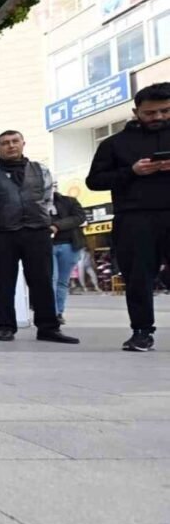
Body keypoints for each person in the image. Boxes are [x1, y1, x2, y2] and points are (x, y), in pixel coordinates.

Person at [0, 130, 79, 344]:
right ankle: (6, 327)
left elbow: (46, 201)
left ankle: (48, 328)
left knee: (43, 281)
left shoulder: (41, 170)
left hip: (36, 232)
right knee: (4, 282)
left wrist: (39, 222)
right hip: (0, 235)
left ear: (23, 144)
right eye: (4, 143)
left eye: (14, 141)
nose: (10, 146)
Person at [86, 82, 170, 352]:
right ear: (136, 112)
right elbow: (94, 181)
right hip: (134, 218)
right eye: (150, 113)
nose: (158, 117)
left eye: (165, 111)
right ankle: (141, 332)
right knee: (138, 277)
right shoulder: (115, 144)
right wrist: (132, 171)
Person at [49, 189, 86, 325]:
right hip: (45, 246)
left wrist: (56, 226)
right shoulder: (34, 202)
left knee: (62, 281)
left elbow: (79, 217)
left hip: (69, 245)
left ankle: (59, 312)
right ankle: (50, 313)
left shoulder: (69, 201)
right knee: (51, 280)